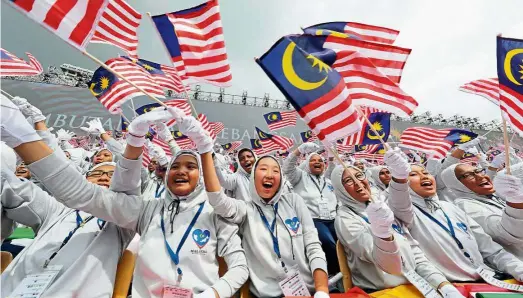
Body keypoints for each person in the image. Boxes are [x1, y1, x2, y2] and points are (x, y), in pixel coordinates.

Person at [1, 99, 248, 298]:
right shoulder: (145, 210)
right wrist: (19, 133)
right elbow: (79, 192)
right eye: (175, 167)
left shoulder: (216, 213)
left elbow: (239, 267)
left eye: (190, 167)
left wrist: (212, 295)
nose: (181, 171)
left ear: (201, 176)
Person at [177, 114, 329, 298]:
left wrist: (322, 291)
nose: (269, 175)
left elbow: (314, 246)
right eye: (263, 169)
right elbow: (217, 199)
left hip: (308, 292)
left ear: (281, 178)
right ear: (253, 176)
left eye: (275, 170)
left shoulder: (294, 201)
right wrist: (205, 149)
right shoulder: (244, 209)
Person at [0, 97, 135, 297]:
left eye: (111, 175)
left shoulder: (123, 223)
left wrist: (129, 139)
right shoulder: (57, 210)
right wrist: (27, 127)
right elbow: (14, 183)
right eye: (98, 174)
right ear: (85, 180)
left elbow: (132, 174)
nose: (105, 178)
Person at [384, 148, 523, 282]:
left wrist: (518, 269)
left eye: (426, 172)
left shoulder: (450, 208)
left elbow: (491, 250)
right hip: (450, 286)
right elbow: (400, 202)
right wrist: (399, 178)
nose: (424, 176)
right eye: (413, 174)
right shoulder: (404, 213)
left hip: (488, 279)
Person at [331, 164, 463, 297]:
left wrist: (443, 285)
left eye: (359, 176)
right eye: (348, 181)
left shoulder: (382, 208)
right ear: (340, 189)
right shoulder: (345, 219)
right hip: (382, 292)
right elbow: (387, 264)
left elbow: (415, 254)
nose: (357, 182)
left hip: (417, 286)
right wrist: (383, 234)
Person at [440, 163, 523, 259]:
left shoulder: (489, 196)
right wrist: (514, 199)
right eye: (468, 175)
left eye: (478, 171)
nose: (480, 176)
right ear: (456, 184)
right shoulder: (464, 205)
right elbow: (507, 233)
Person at [283, 143, 339, 275]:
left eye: (320, 160)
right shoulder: (300, 177)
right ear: (307, 164)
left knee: (343, 242)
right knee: (328, 243)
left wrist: (331, 159)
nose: (317, 162)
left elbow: (332, 170)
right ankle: (333, 275)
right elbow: (287, 168)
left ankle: (348, 272)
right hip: (314, 220)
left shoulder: (328, 181)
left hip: (333, 219)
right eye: (313, 160)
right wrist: (299, 150)